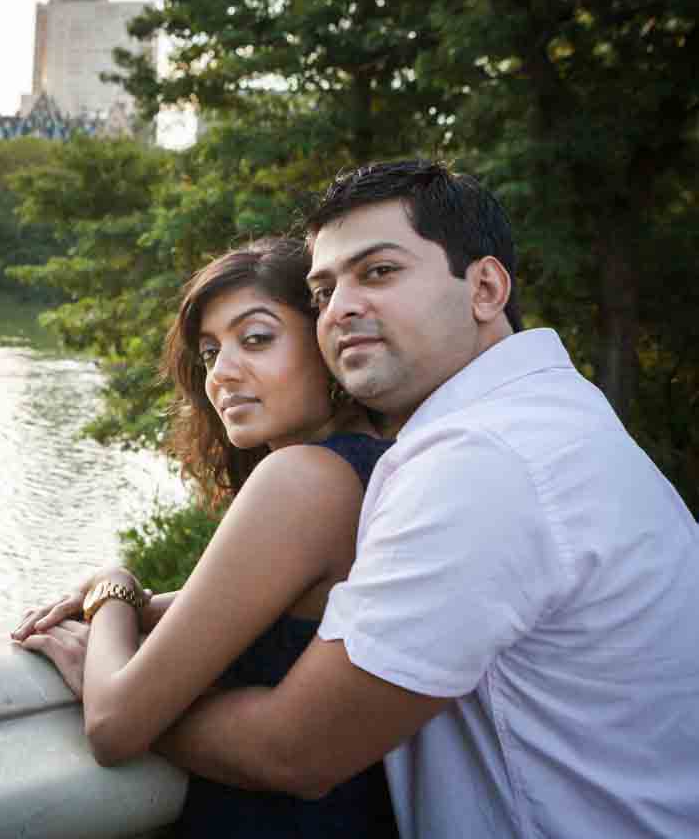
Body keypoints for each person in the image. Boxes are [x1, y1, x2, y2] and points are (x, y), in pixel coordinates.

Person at [112, 160, 699, 837]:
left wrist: (121, 669)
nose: (342, 307)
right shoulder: (549, 418)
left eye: (379, 272)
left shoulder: (482, 462)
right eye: (324, 289)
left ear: (484, 288)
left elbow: (296, 751)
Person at [13, 237, 398, 838]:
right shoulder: (375, 465)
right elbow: (254, 617)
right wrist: (138, 602)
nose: (222, 373)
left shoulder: (304, 479)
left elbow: (114, 724)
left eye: (257, 339)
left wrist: (112, 590)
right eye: (211, 352)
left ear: (328, 341)